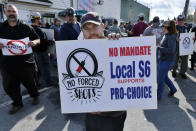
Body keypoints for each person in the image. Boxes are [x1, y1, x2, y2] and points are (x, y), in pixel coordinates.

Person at [80, 12, 127, 131]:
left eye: (95, 27)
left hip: (114, 114)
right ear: (83, 32)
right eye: (87, 29)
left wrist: (119, 45)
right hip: (92, 114)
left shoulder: (115, 44)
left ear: (103, 26)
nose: (92, 32)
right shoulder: (78, 52)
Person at [0, 4, 40, 114]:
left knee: (31, 83)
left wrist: (34, 42)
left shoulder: (26, 26)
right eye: (9, 11)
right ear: (5, 13)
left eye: (13, 11)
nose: (11, 13)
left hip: (25, 63)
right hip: (6, 65)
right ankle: (17, 103)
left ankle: (35, 95)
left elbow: (38, 39)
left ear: (17, 13)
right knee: (9, 86)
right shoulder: (1, 27)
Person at [31, 12, 54, 87]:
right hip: (42, 51)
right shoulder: (37, 29)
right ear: (36, 19)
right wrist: (51, 41)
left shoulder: (32, 28)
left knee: (39, 68)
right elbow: (42, 41)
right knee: (45, 67)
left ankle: (36, 83)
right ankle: (49, 82)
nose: (41, 20)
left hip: (36, 51)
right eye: (40, 18)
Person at [157, 20, 177, 100]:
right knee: (164, 77)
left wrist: (159, 48)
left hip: (167, 61)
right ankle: (173, 89)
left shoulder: (171, 36)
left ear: (166, 27)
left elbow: (171, 50)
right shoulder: (167, 35)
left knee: (160, 79)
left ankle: (158, 96)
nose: (161, 27)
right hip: (163, 60)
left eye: (163, 26)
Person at [172, 15, 190, 79]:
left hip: (184, 48)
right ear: (177, 21)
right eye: (179, 21)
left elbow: (188, 36)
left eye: (181, 21)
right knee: (175, 60)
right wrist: (176, 39)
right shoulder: (174, 27)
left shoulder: (186, 28)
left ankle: (182, 72)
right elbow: (171, 36)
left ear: (183, 21)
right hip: (176, 47)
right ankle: (174, 71)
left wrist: (192, 38)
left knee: (185, 61)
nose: (180, 22)